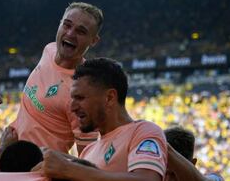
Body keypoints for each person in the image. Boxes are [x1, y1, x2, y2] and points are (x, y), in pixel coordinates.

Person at [37, 57, 167, 181]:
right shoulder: (89, 150)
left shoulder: (142, 132)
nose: (72, 107)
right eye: (72, 98)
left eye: (80, 98)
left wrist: (69, 169)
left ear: (109, 97)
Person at [11, 2, 103, 154]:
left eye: (81, 31)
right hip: (13, 156)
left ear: (93, 40)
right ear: (59, 24)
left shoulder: (83, 91)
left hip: (39, 172)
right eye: (67, 25)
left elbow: (88, 157)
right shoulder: (49, 48)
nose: (70, 34)